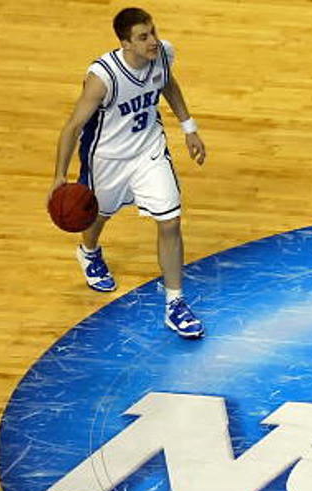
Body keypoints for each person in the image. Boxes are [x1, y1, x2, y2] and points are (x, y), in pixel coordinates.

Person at [48, 7, 205, 338]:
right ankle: (88, 251)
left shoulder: (162, 54)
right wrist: (59, 177)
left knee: (171, 221)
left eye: (153, 32)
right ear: (125, 43)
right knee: (96, 216)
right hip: (107, 159)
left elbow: (168, 85)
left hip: (148, 152)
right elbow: (73, 126)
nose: (153, 41)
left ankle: (175, 303)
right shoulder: (103, 77)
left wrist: (189, 127)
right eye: (143, 37)